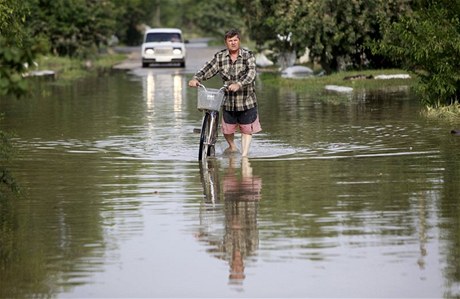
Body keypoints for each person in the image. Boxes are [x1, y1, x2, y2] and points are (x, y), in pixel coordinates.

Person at [188, 29, 261, 157]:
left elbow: (251, 74)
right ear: (226, 42)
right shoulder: (220, 57)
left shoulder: (248, 56)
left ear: (239, 41)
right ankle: (232, 146)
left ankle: (244, 157)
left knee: (246, 130)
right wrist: (196, 78)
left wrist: (239, 84)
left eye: (235, 40)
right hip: (228, 102)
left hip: (246, 101)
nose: (233, 43)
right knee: (227, 130)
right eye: (230, 41)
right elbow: (208, 69)